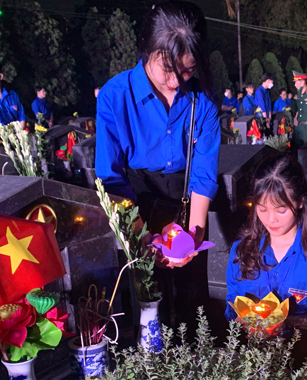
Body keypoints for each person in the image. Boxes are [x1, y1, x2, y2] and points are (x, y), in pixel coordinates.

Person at [95, 1, 219, 330]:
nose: (176, 82)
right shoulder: (115, 96)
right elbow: (110, 176)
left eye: (188, 71)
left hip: (187, 201)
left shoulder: (203, 101)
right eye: (167, 69)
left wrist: (193, 239)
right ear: (146, 48)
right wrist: (142, 236)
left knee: (193, 303)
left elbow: (203, 175)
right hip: (134, 201)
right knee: (147, 301)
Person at [225, 154, 307, 334]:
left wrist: (287, 322)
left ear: (300, 202)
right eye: (262, 209)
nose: (271, 219)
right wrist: (239, 319)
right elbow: (232, 304)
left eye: (281, 210)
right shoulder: (242, 250)